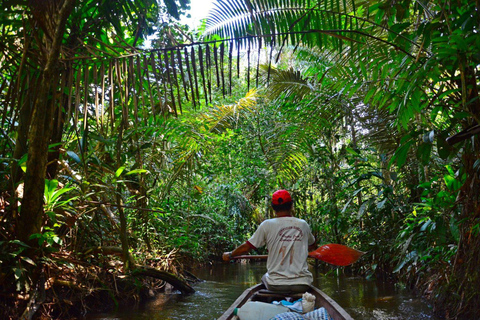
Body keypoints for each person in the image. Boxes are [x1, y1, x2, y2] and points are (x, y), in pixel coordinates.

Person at [223, 189, 316, 292]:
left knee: (265, 277)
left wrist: (230, 254)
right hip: (302, 284)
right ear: (291, 206)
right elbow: (312, 245)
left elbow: (247, 247)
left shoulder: (267, 225)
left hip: (276, 284)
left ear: (273, 208)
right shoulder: (303, 224)